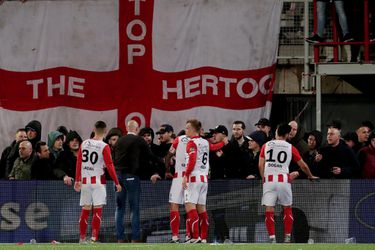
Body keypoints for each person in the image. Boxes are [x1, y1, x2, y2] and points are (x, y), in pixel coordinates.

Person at [259, 124, 319, 243]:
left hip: (269, 181)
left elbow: (260, 165)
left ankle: (272, 239)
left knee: (269, 210)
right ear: (287, 135)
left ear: (276, 132)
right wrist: (310, 175)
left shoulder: (266, 145)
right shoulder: (290, 147)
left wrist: (263, 178)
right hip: (284, 181)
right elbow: (303, 165)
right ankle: (287, 238)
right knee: (287, 209)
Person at [114, 120, 162, 243]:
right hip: (131, 176)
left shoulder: (119, 141)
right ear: (137, 129)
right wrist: (163, 163)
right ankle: (135, 238)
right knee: (134, 208)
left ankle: (120, 238)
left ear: (126, 128)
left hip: (118, 177)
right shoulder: (139, 140)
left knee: (119, 208)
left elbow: (114, 158)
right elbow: (150, 156)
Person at [74, 121, 122, 244]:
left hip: (85, 182)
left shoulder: (84, 143)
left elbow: (79, 162)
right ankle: (94, 239)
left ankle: (82, 238)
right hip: (98, 182)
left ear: (93, 129)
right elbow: (110, 166)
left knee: (85, 209)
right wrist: (117, 182)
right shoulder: (104, 146)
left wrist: (77, 179)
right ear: (105, 131)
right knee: (98, 209)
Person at [182, 119, 226, 243]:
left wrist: (185, 175)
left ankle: (195, 237)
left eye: (187, 128)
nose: (185, 130)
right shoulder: (205, 142)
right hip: (204, 179)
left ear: (192, 129)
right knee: (202, 209)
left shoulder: (191, 143)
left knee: (190, 207)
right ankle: (204, 238)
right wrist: (223, 142)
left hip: (194, 178)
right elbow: (214, 147)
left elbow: (192, 159)